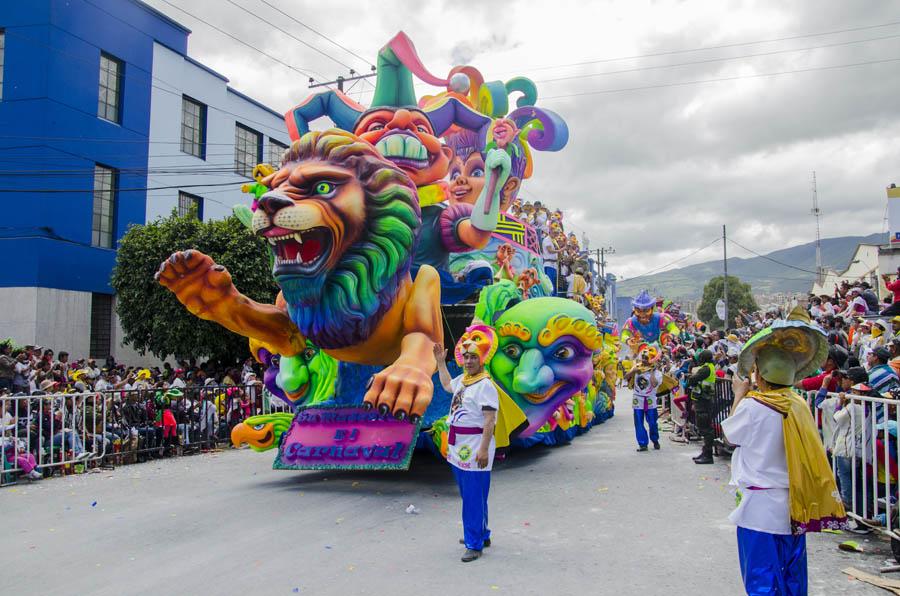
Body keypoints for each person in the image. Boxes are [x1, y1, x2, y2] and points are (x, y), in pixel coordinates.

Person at [723, 307, 846, 595]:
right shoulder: (798, 404)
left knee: (762, 581)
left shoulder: (754, 406)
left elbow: (730, 435)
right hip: (793, 506)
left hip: (759, 510)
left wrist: (739, 394)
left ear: (761, 376)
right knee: (793, 580)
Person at [433, 331, 499, 563]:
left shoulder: (486, 386)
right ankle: (481, 533)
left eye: (473, 357)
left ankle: (474, 543)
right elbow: (446, 385)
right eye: (466, 356)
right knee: (471, 493)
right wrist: (441, 362)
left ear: (482, 359)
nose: (469, 361)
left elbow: (489, 421)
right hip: (458, 445)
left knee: (472, 494)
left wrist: (482, 449)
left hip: (475, 446)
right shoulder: (463, 380)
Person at [625, 345, 662, 452]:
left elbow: (654, 384)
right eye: (643, 358)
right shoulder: (636, 367)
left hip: (650, 399)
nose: (644, 360)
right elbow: (626, 377)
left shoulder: (657, 372)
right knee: (638, 422)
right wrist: (633, 371)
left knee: (652, 422)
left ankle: (655, 440)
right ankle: (643, 444)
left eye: (646, 358)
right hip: (638, 399)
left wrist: (651, 372)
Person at [685, 349, 716, 464]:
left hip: (704, 401)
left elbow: (692, 379)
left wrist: (690, 378)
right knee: (704, 427)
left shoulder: (706, 368)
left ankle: (708, 455)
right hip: (704, 400)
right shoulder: (710, 367)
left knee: (705, 428)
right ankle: (705, 452)